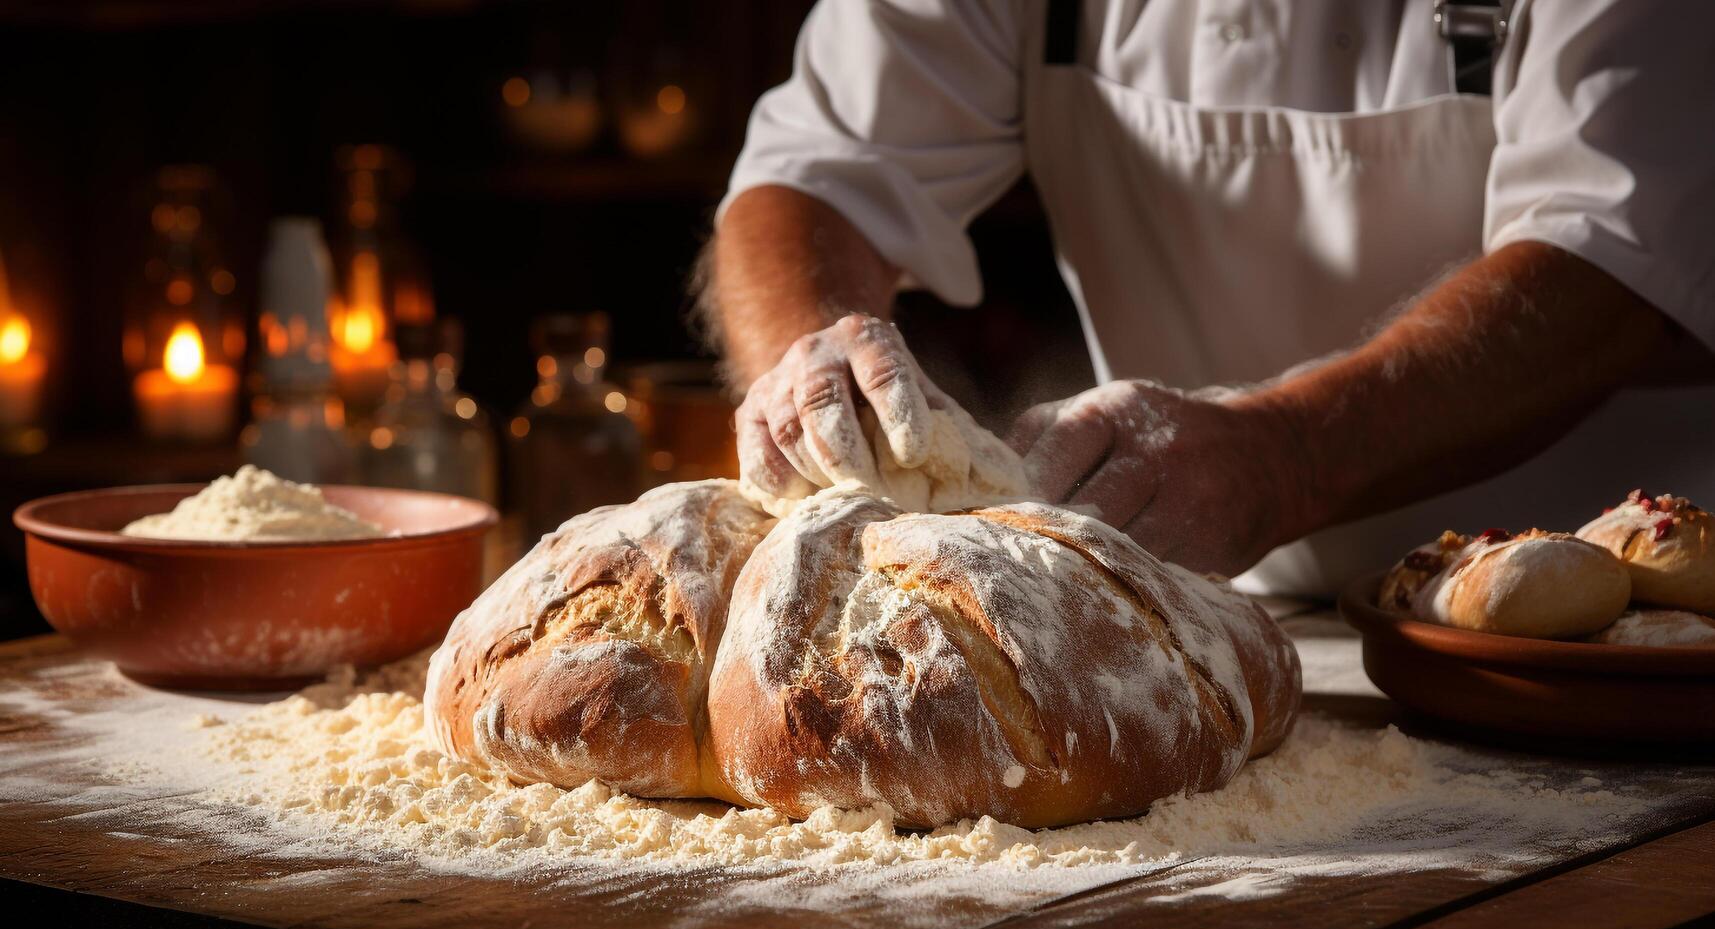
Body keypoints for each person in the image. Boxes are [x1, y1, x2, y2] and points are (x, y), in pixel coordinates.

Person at [696, 0, 1715, 595]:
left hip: (1627, 641)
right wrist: (814, 355)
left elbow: (1605, 252)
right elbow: (815, 174)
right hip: (1227, 609)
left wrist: (1289, 454)